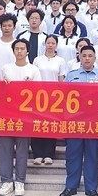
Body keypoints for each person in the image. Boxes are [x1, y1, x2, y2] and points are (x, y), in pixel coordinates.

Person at [60, 46, 98, 196]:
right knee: (72, 155)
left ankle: (91, 188)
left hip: (94, 122)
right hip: (75, 122)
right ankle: (71, 186)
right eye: (84, 55)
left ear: (95, 58)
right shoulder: (71, 75)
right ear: (79, 57)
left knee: (92, 155)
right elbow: (63, 97)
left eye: (90, 56)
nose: (87, 58)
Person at [0, 39, 41, 196]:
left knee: (22, 150)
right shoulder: (5, 68)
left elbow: (38, 92)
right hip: (6, 114)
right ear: (13, 51)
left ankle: (20, 181)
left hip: (24, 116)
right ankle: (6, 181)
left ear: (27, 51)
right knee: (4, 149)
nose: (20, 51)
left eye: (22, 48)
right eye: (17, 48)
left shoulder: (33, 70)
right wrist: (1, 83)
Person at [31, 35, 66, 165]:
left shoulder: (60, 61)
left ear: (56, 45)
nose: (50, 45)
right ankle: (37, 154)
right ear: (45, 44)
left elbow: (61, 79)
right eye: (48, 43)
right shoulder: (37, 60)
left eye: (53, 43)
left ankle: (49, 154)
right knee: (37, 124)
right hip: (38, 96)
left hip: (54, 98)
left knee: (51, 125)